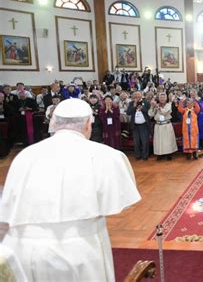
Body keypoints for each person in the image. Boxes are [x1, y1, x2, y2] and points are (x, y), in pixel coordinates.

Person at [0, 98, 141, 281]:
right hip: (79, 253)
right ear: (88, 124)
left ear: (53, 123)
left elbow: (8, 206)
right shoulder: (106, 156)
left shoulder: (24, 156)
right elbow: (122, 203)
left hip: (23, 251)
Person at [148, 92, 177, 160]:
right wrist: (152, 107)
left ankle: (168, 154)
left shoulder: (168, 105)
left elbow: (165, 112)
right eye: (161, 97)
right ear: (158, 98)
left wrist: (158, 107)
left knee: (168, 141)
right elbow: (150, 114)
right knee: (159, 141)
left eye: (163, 97)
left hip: (166, 124)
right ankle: (159, 154)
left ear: (166, 98)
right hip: (158, 125)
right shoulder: (155, 105)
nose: (162, 99)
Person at [126, 91, 151, 160]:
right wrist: (134, 106)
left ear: (141, 95)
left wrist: (142, 108)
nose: (137, 96)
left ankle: (145, 156)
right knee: (136, 142)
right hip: (135, 126)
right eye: (136, 95)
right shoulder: (131, 103)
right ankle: (138, 155)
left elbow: (149, 112)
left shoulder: (146, 102)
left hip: (144, 125)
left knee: (144, 141)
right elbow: (128, 113)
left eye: (138, 95)